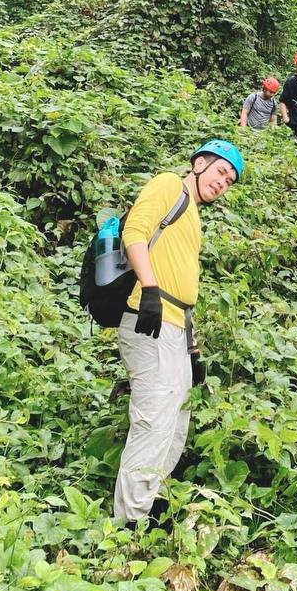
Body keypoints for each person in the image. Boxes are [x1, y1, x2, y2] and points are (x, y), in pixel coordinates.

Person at [114, 139, 244, 525]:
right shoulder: (169, 185)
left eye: (230, 181)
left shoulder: (193, 215)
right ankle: (129, 522)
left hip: (175, 326)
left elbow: (182, 283)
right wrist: (149, 287)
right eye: (221, 171)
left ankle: (147, 501)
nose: (223, 183)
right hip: (149, 318)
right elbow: (135, 232)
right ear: (199, 162)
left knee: (176, 419)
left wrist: (192, 347)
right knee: (154, 420)